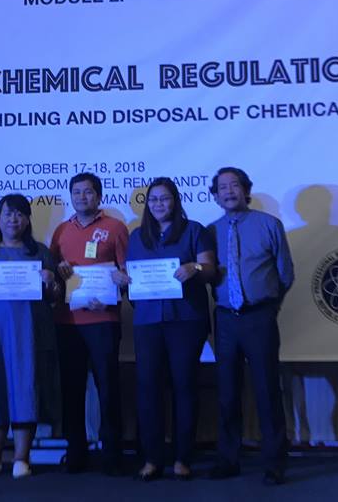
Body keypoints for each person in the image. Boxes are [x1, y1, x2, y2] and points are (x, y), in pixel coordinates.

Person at [115, 177, 216, 481]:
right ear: (147, 204)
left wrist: (195, 268)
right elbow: (131, 276)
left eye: (165, 198)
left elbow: (210, 270)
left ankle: (183, 458)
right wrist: (122, 279)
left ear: (175, 201)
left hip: (186, 320)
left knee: (184, 386)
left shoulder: (194, 230)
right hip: (147, 321)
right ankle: (152, 458)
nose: (159, 204)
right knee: (147, 388)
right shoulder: (137, 236)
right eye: (154, 199)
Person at [0, 193, 62, 479]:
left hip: (28, 334)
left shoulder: (40, 251)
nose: (13, 219)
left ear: (28, 219)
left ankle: (21, 459)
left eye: (19, 214)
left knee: (25, 388)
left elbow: (54, 297)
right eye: (7, 213)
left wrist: (52, 282)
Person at [207, 167, 294, 485]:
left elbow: (285, 274)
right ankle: (228, 459)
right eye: (222, 188)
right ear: (215, 196)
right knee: (227, 392)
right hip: (225, 319)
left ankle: (274, 462)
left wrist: (268, 307)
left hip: (259, 317)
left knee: (267, 390)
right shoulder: (210, 232)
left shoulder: (269, 225)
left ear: (246, 190)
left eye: (235, 186)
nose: (229, 191)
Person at [51, 172, 128, 475]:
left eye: (88, 192)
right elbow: (54, 277)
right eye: (77, 192)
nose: (82, 197)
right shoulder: (60, 231)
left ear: (99, 196)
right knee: (71, 389)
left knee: (108, 387)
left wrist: (116, 289)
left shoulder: (115, 228)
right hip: (67, 321)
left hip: (103, 320)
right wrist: (59, 272)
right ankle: (76, 451)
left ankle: (112, 454)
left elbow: (126, 274)